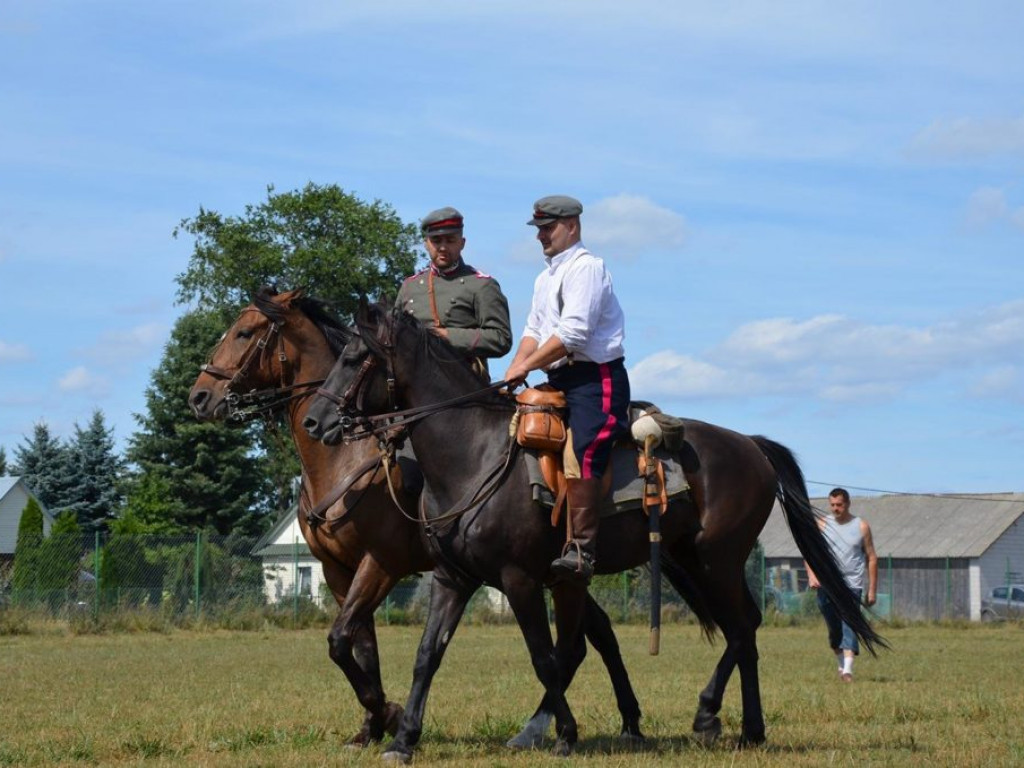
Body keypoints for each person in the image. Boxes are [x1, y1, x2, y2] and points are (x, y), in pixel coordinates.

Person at [504, 195, 630, 583]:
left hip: (598, 380)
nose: (541, 235)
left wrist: (527, 365)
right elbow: (533, 332)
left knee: (583, 449)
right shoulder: (545, 278)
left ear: (572, 226)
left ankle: (582, 549)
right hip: (560, 378)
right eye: (539, 229)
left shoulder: (587, 268)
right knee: (515, 431)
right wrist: (513, 369)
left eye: (548, 227)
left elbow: (573, 333)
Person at [397, 206, 512, 378]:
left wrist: (446, 336)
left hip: (462, 385)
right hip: (414, 382)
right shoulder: (410, 286)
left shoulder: (481, 285)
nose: (443, 247)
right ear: (426, 244)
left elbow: (500, 338)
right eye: (436, 240)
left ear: (462, 243)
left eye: (450, 240)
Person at [805, 487, 878, 683]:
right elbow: (809, 553)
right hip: (827, 585)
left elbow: (871, 558)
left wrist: (871, 590)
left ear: (847, 504)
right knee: (834, 628)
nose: (836, 508)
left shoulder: (861, 526)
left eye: (839, 505)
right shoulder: (822, 525)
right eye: (833, 505)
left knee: (849, 624)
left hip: (851, 585)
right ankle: (841, 663)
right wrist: (812, 576)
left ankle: (848, 670)